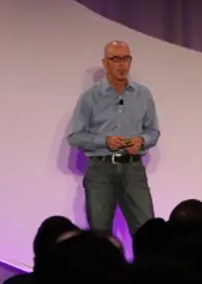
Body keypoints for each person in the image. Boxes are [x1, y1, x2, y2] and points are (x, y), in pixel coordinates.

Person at [65, 40, 159, 237]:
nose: (122, 64)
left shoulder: (143, 95)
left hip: (133, 169)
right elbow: (75, 136)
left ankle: (146, 267)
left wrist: (142, 141)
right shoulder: (90, 97)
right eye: (115, 59)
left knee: (148, 231)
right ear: (105, 63)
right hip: (101, 171)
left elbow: (153, 131)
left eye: (126, 59)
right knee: (100, 234)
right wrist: (104, 142)